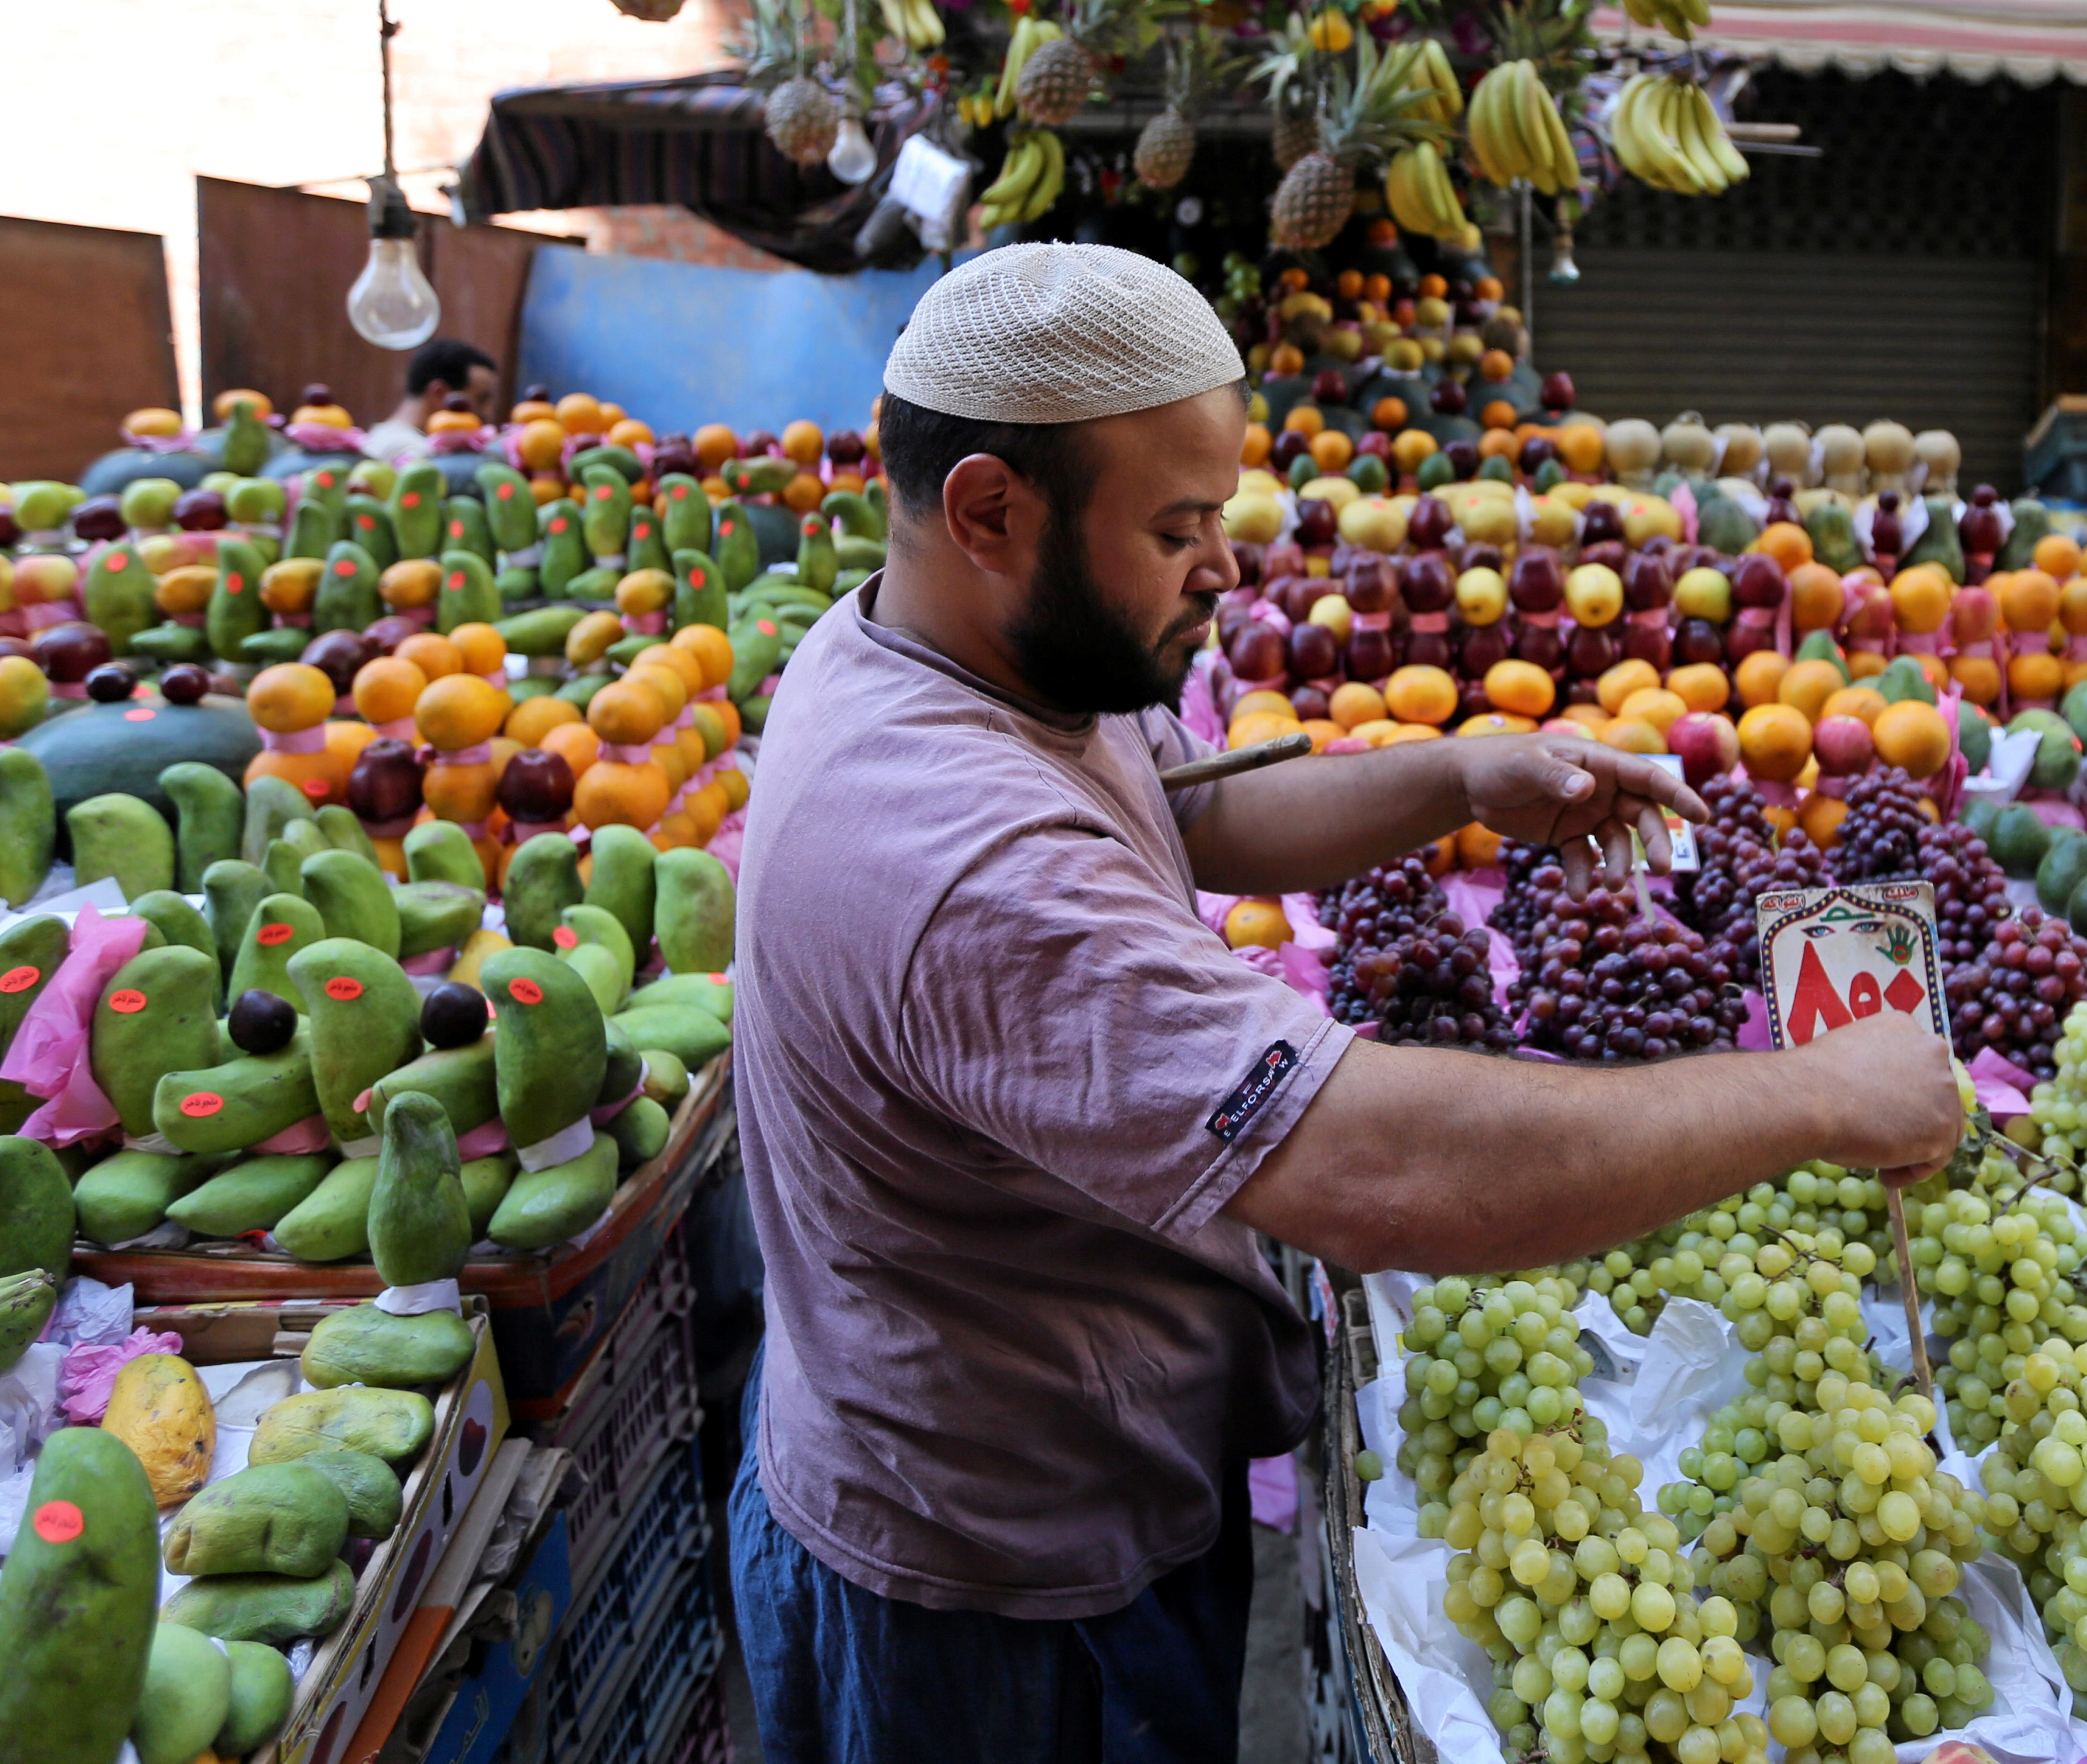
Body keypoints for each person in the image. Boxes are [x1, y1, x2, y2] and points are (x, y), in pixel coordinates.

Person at [727, 243, 1965, 1764]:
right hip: (989, 1612)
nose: (1227, 570)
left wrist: (1457, 776)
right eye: (1180, 527)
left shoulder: (957, 652)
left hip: (1045, 1481)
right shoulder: (949, 846)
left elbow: (1171, 823)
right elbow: (1372, 1165)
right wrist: (1817, 1093)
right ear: (990, 509)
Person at [362, 338, 499, 465]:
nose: (488, 414)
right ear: (439, 394)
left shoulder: (380, 437)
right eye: (481, 399)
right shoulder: (416, 454)